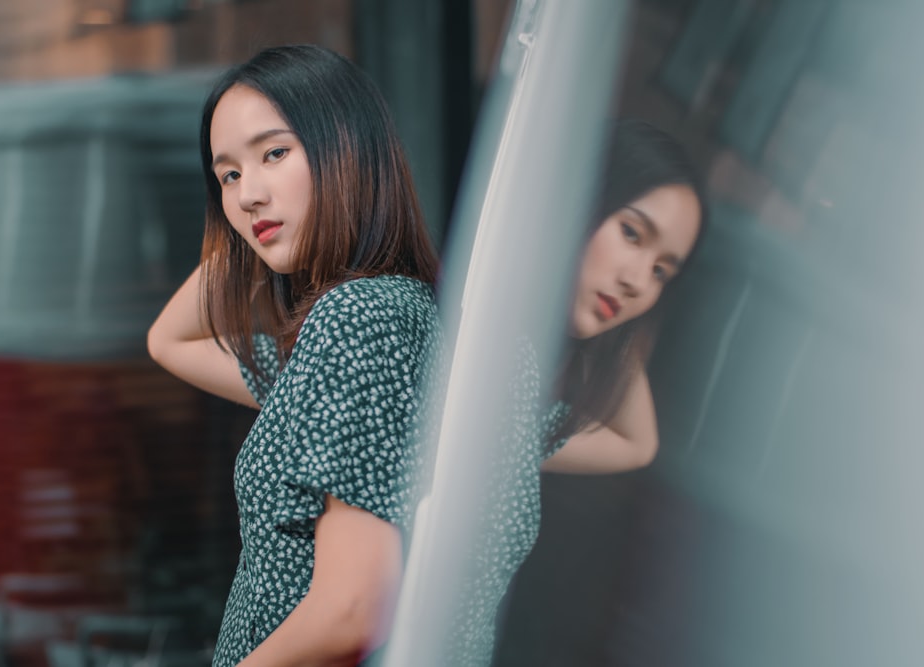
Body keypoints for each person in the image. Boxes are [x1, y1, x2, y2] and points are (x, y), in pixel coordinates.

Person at [146, 44, 441, 666]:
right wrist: (253, 219)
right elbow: (170, 341)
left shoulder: (361, 318)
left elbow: (352, 612)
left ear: (348, 152)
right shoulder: (374, 324)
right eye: (227, 174)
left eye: (274, 153)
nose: (247, 193)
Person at [444, 118, 706, 666]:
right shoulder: (439, 341)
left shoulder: (513, 419)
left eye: (662, 271)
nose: (640, 281)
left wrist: (627, 328)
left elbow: (638, 443)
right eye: (632, 233)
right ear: (575, 202)